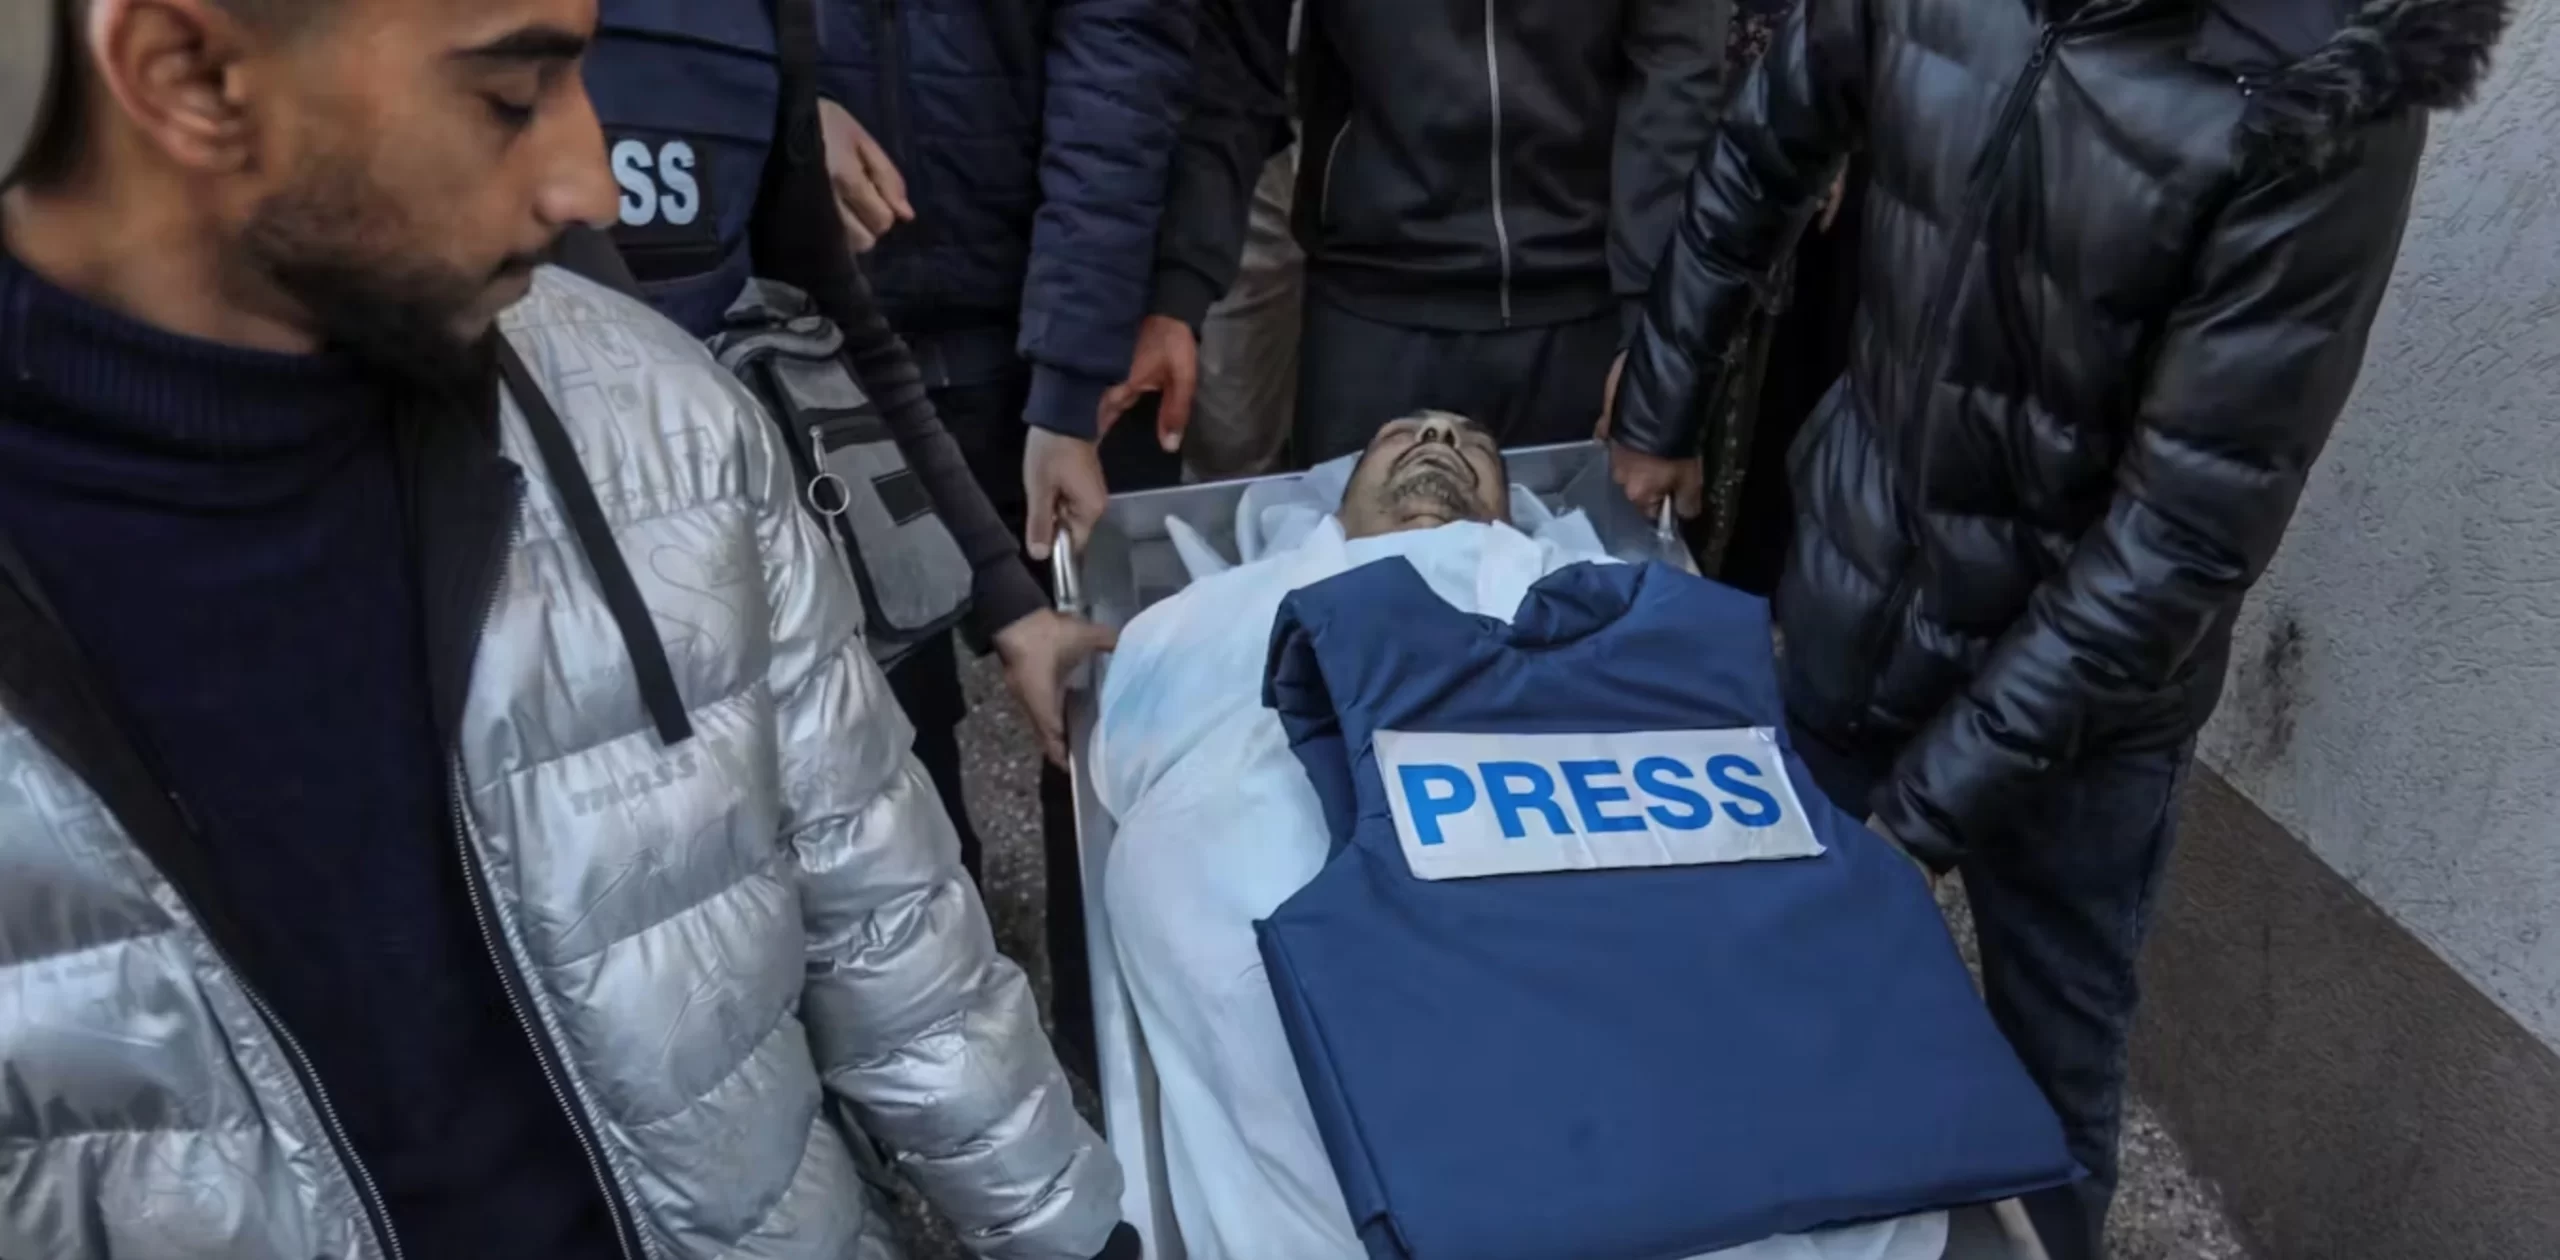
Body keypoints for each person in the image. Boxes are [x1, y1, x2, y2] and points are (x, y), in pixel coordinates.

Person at [0, 2, 1135, 1258]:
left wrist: (1079, 1240)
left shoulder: (657, 422)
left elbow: (893, 931)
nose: (590, 179)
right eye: (508, 93)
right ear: (188, 72)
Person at [1603, 1, 2512, 1256]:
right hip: (1853, 599)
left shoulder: (2326, 82)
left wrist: (1915, 821)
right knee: (1776, 1003)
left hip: (2085, 721)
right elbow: (1762, 147)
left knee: (2040, 1108)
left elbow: (2185, 533)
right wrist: (1660, 398)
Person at [577, 0, 1118, 877]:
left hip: (782, 591)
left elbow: (841, 331)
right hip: (577, 665)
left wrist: (1008, 602)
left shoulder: (755, 25)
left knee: (925, 863)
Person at [817, 0, 1197, 1075]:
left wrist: (1071, 384)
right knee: (876, 748)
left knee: (1103, 714)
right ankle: (946, 1055)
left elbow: (1120, 57)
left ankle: (1110, 1043)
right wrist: (776, 106)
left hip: (1048, 331)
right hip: (803, 338)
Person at [1283, 0, 1728, 465]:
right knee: (1344, 531)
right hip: (1373, 299)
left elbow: (1677, 68)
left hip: (1588, 302)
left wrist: (1654, 331)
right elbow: (1230, 55)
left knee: (1599, 530)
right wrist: (1196, 287)